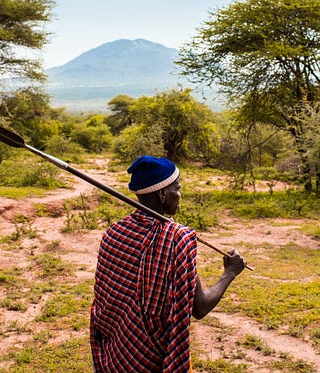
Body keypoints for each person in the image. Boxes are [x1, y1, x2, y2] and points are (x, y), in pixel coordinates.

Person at [90, 155, 246, 372]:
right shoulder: (177, 239)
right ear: (163, 193)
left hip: (119, 354)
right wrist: (229, 273)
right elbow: (200, 308)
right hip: (153, 360)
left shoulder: (114, 232)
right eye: (177, 188)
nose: (179, 195)